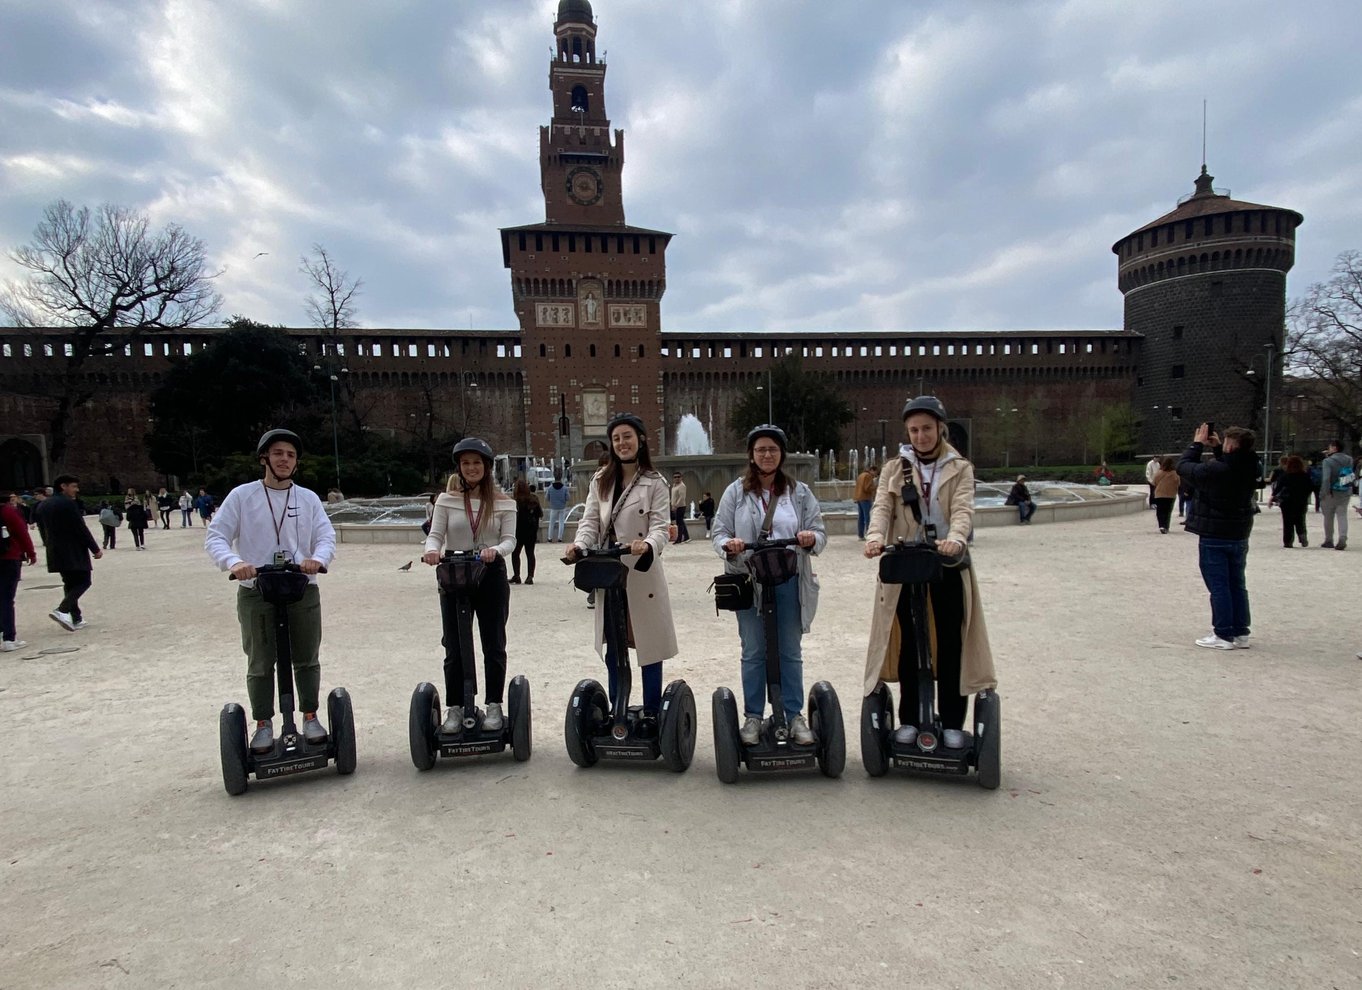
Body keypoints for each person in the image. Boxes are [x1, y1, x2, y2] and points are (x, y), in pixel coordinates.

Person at [863, 396, 996, 748]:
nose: (920, 436)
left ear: (941, 429)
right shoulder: (896, 468)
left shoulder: (959, 467)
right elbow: (881, 507)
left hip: (946, 563)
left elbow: (963, 509)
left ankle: (953, 721)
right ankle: (908, 719)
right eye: (914, 430)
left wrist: (956, 537)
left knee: (951, 642)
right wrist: (875, 537)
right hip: (907, 562)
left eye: (926, 428)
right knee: (909, 641)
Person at [205, 429, 337, 754]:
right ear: (265, 457)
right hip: (256, 589)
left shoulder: (307, 499)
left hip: (301, 587)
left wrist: (317, 560)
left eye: (290, 455)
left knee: (307, 657)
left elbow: (326, 536)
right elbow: (216, 536)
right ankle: (263, 723)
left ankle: (309, 715)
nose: (284, 459)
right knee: (260, 661)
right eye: (278, 453)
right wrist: (235, 563)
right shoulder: (242, 496)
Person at [713, 424, 826, 746]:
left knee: (790, 650)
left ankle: (793, 716)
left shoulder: (798, 492)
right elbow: (717, 531)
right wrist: (729, 544)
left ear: (781, 454)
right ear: (751, 454)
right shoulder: (736, 491)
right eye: (760, 449)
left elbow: (820, 532)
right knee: (753, 650)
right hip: (750, 580)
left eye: (772, 449)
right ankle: (752, 716)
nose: (766, 455)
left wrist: (810, 538)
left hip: (789, 578)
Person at [567, 413, 678, 714]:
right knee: (613, 645)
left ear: (640, 439)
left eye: (627, 436)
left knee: (649, 645)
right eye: (616, 438)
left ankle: (654, 711)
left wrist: (649, 544)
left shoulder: (655, 482)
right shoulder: (601, 480)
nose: (622, 443)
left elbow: (659, 525)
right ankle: (618, 706)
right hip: (610, 571)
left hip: (641, 570)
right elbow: (590, 521)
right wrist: (579, 545)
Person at [421, 438, 516, 733]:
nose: (471, 468)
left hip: (490, 574)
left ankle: (494, 704)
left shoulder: (504, 503)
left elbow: (510, 540)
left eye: (477, 463)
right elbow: (435, 535)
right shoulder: (446, 501)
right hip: (454, 574)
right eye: (466, 463)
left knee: (493, 643)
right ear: (459, 468)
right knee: (454, 644)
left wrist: (495, 551)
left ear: (487, 467)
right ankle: (456, 707)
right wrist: (431, 550)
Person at [1177, 423, 1257, 650]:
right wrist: (1218, 449)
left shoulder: (1218, 470)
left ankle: (1223, 634)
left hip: (1215, 534)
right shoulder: (1251, 464)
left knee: (1219, 586)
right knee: (1237, 584)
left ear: (1232, 445)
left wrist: (1197, 444)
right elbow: (1232, 463)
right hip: (1239, 532)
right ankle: (1241, 631)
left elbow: (1184, 467)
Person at [33, 474, 102, 632]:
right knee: (84, 581)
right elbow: (80, 528)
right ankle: (62, 610)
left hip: (55, 549)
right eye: (74, 486)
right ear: (63, 486)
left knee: (70, 583)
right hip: (73, 549)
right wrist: (95, 548)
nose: (76, 490)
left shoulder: (43, 505)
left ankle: (75, 617)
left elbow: (42, 530)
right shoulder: (67, 504)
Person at [1, 489, 39, 651]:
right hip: (8, 557)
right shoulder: (8, 512)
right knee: (6, 598)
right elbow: (22, 533)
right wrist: (30, 553)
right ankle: (9, 638)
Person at [1269, 455, 1313, 548]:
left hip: (1287, 502)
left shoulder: (1285, 475)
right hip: (1301, 502)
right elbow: (1310, 488)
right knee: (1300, 520)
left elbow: (1278, 488)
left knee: (1287, 522)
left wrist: (1272, 498)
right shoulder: (1305, 476)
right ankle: (1302, 535)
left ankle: (1288, 541)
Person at [1318, 440, 1353, 550]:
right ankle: (1343, 536)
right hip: (1345, 490)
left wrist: (1324, 492)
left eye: (1330, 447)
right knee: (1342, 515)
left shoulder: (1328, 461)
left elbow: (1326, 478)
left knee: (1328, 517)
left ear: (1334, 448)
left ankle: (1329, 540)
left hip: (1331, 492)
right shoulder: (1349, 459)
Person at [510, 479, 543, 585]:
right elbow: (540, 514)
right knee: (530, 554)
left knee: (515, 554)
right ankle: (530, 576)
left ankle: (517, 576)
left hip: (518, 531)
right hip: (531, 531)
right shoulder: (534, 499)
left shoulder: (514, 501)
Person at [1151, 456, 1180, 533]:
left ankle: (1161, 525)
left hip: (1160, 494)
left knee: (1160, 511)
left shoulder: (1159, 473)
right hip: (1171, 494)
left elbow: (1154, 482)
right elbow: (1178, 482)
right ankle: (1166, 526)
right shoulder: (1174, 473)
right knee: (1168, 511)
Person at [545, 469, 570, 542]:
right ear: (561, 477)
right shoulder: (565, 488)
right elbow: (568, 498)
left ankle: (550, 538)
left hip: (553, 507)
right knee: (561, 523)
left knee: (551, 523)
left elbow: (546, 498)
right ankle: (560, 538)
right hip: (562, 507)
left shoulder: (550, 488)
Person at [854, 462, 877, 539]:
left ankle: (860, 535)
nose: (875, 475)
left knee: (861, 517)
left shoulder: (861, 475)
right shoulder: (868, 476)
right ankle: (869, 534)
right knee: (867, 517)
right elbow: (867, 488)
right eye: (875, 472)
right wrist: (875, 486)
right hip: (865, 498)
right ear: (872, 470)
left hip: (859, 498)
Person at [669, 471, 690, 543]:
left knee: (679, 523)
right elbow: (674, 497)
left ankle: (679, 538)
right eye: (675, 477)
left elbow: (682, 497)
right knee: (681, 522)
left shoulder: (682, 486)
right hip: (675, 506)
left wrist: (676, 506)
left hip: (680, 506)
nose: (677, 478)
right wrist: (671, 504)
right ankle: (686, 537)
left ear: (681, 478)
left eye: (678, 477)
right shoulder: (674, 486)